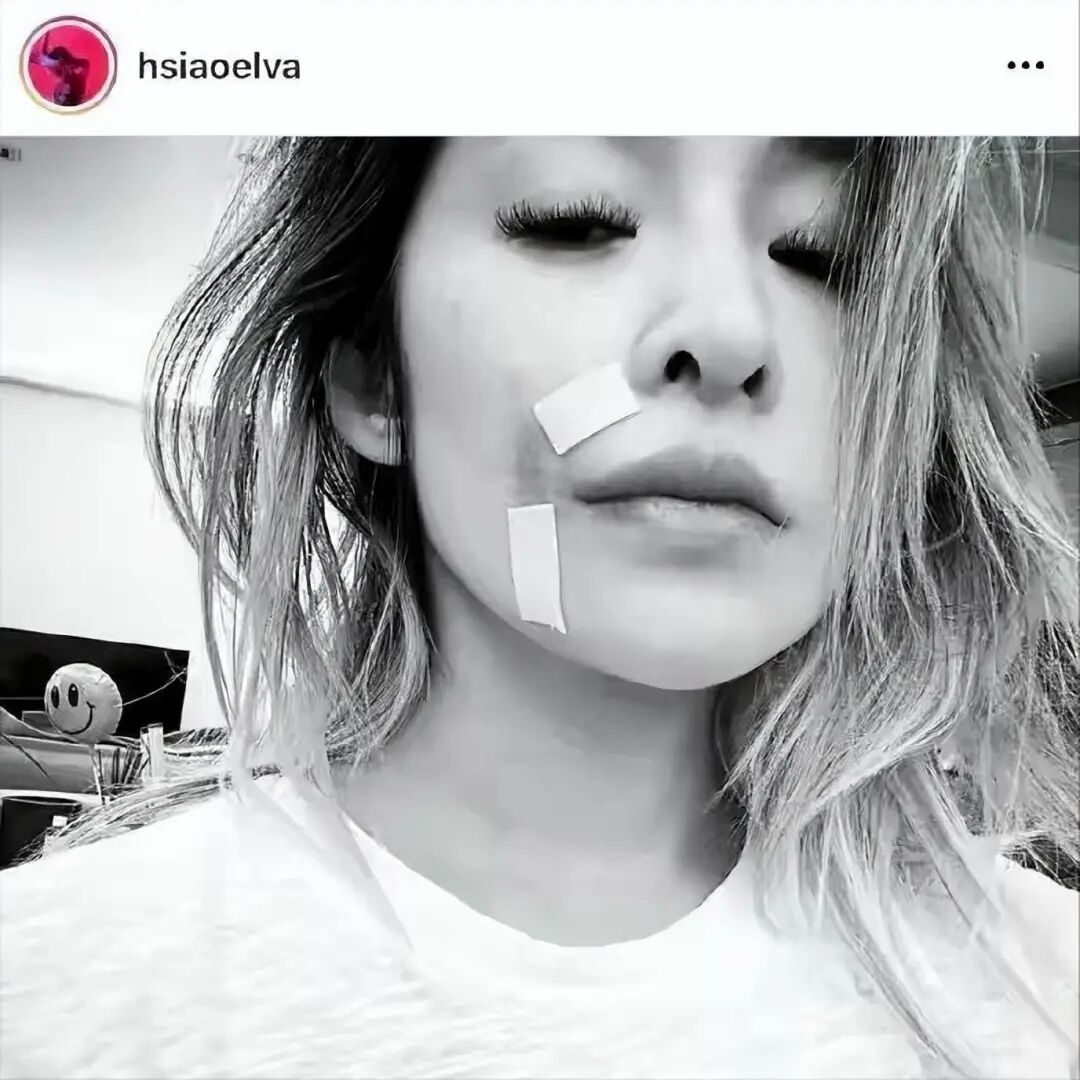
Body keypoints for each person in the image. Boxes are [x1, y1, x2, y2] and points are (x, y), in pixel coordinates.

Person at [1, 137, 1077, 1079]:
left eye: (823, 253)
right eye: (577, 221)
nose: (730, 332)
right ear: (375, 374)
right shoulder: (50, 997)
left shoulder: (1047, 996)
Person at [28, 33, 90, 106]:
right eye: (59, 93)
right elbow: (84, 65)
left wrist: (49, 62)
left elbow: (60, 66)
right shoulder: (75, 77)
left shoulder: (67, 78)